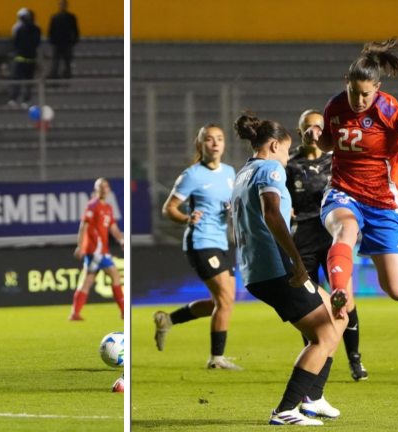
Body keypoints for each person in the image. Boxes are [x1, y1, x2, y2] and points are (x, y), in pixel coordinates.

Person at [303, 37, 398, 317]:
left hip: (382, 201)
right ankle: (339, 292)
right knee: (345, 229)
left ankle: (386, 279)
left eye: (366, 94)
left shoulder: (388, 109)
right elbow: (330, 145)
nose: (359, 100)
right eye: (354, 91)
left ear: (377, 89)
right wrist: (316, 137)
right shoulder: (334, 107)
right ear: (347, 81)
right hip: (343, 190)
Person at [232, 111, 347, 425]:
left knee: (339, 314)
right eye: (284, 150)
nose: (286, 158)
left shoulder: (243, 173)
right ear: (272, 146)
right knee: (324, 335)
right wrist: (297, 261)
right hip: (275, 267)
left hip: (257, 268)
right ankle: (286, 409)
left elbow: (259, 214)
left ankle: (315, 399)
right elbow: (271, 215)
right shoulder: (270, 168)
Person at [287, 110, 368, 381]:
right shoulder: (288, 165)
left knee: (345, 295)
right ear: (299, 132)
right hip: (303, 240)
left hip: (333, 235)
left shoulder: (336, 161)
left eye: (319, 127)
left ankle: (354, 360)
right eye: (307, 127)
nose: (314, 132)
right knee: (308, 303)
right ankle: (316, 360)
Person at [153, 125, 240, 370]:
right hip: (200, 242)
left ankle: (167, 319)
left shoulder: (230, 172)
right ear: (200, 144)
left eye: (219, 139)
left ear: (224, 145)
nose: (215, 144)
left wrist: (232, 209)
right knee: (224, 301)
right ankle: (216, 359)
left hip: (221, 242)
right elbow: (169, 208)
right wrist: (185, 218)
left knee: (221, 303)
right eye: (209, 139)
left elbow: (229, 203)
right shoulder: (191, 175)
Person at [70, 178, 125, 321]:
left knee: (88, 280)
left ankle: (75, 313)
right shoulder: (92, 206)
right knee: (115, 275)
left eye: (106, 186)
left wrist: (121, 239)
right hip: (95, 249)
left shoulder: (108, 208)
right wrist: (80, 246)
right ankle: (124, 311)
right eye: (100, 187)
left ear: (109, 190)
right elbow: (84, 226)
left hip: (101, 249)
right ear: (96, 190)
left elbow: (113, 228)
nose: (103, 189)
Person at [7, 8, 42, 108]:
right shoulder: (36, 29)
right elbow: (37, 43)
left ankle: (14, 98)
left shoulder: (20, 29)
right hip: (30, 59)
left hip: (20, 58)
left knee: (17, 80)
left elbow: (15, 43)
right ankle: (26, 100)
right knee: (28, 82)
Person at [48, 0, 79, 79]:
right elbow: (75, 30)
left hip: (62, 44)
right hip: (64, 43)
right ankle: (61, 77)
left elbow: (51, 31)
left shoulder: (55, 17)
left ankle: (57, 77)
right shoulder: (70, 17)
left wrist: (52, 41)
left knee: (60, 62)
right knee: (62, 62)